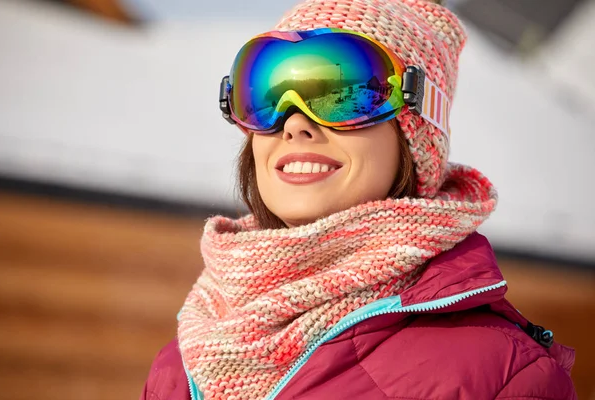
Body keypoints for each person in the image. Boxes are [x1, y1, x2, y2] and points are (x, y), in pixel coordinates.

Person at [141, 0, 577, 399]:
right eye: (268, 93)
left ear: (416, 134)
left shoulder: (503, 376)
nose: (294, 125)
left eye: (342, 93)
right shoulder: (184, 358)